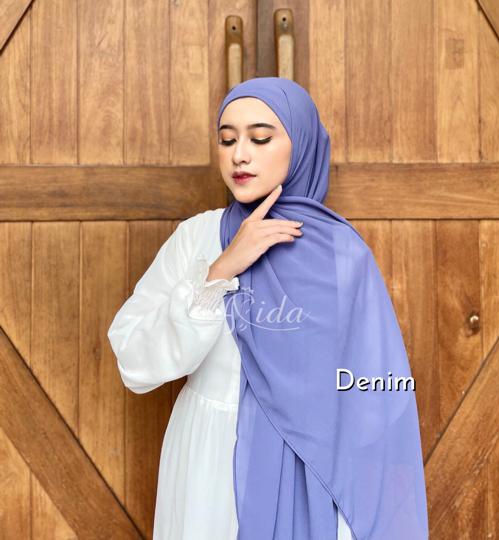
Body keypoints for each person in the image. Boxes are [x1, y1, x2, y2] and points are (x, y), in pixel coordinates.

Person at [107, 77, 429, 539]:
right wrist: (220, 270)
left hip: (314, 464)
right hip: (211, 463)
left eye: (260, 138)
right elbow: (136, 364)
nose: (240, 154)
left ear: (301, 145)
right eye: (227, 140)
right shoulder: (198, 238)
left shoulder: (342, 253)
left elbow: (377, 389)